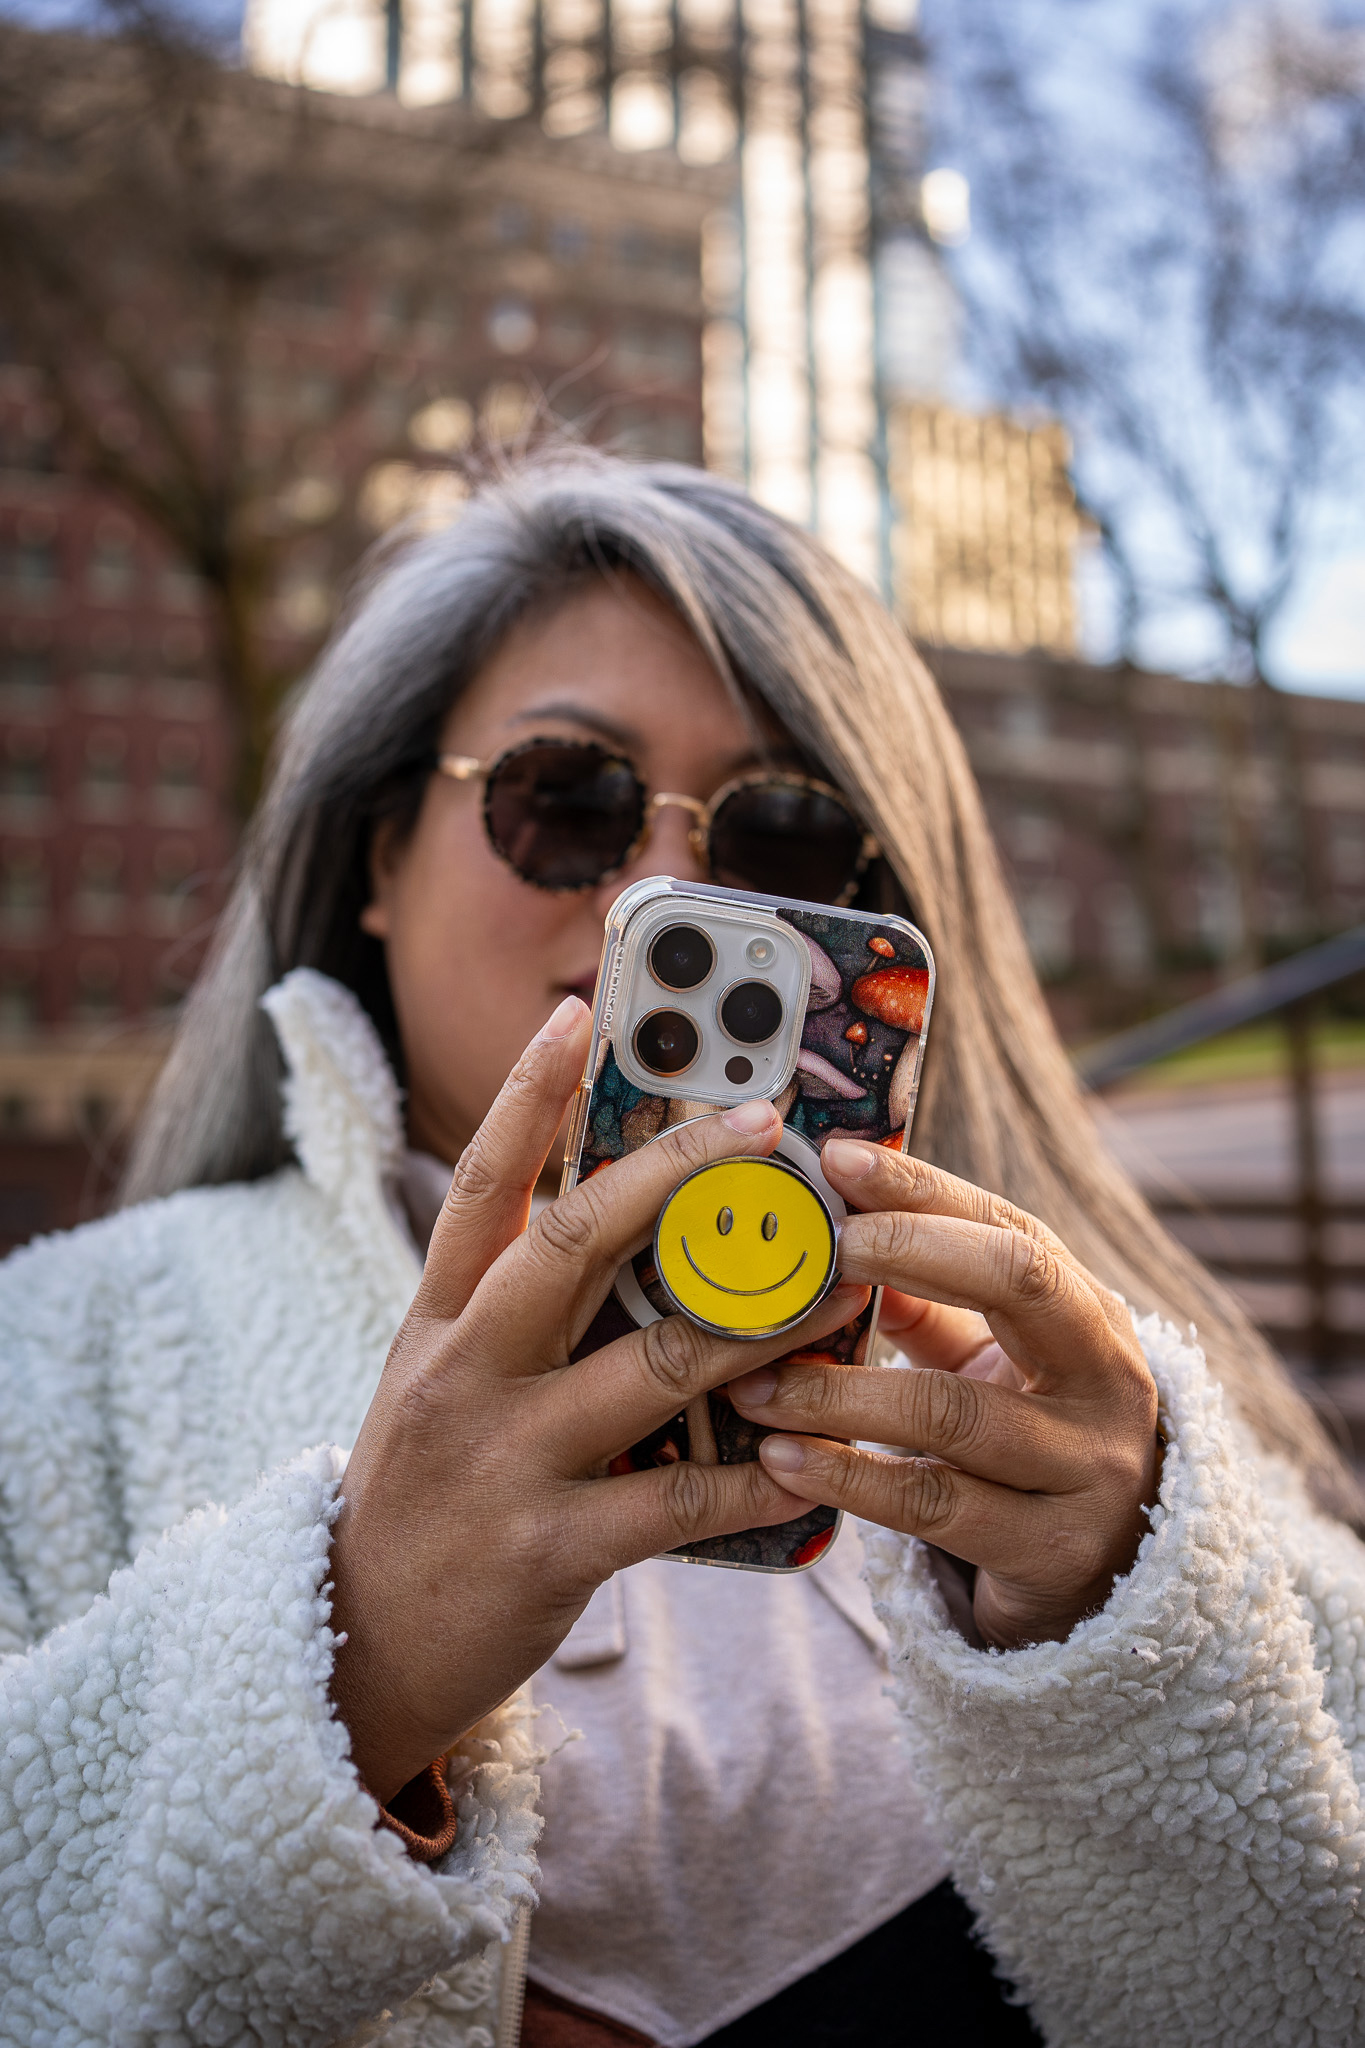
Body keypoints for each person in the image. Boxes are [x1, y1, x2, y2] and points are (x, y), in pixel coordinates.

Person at [2, 449, 1362, 2048]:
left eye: (782, 837)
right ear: (375, 855)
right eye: (562, 797)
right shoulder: (54, 1356)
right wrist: (345, 1664)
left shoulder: (1078, 1397)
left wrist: (1133, 1620)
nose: (662, 884)